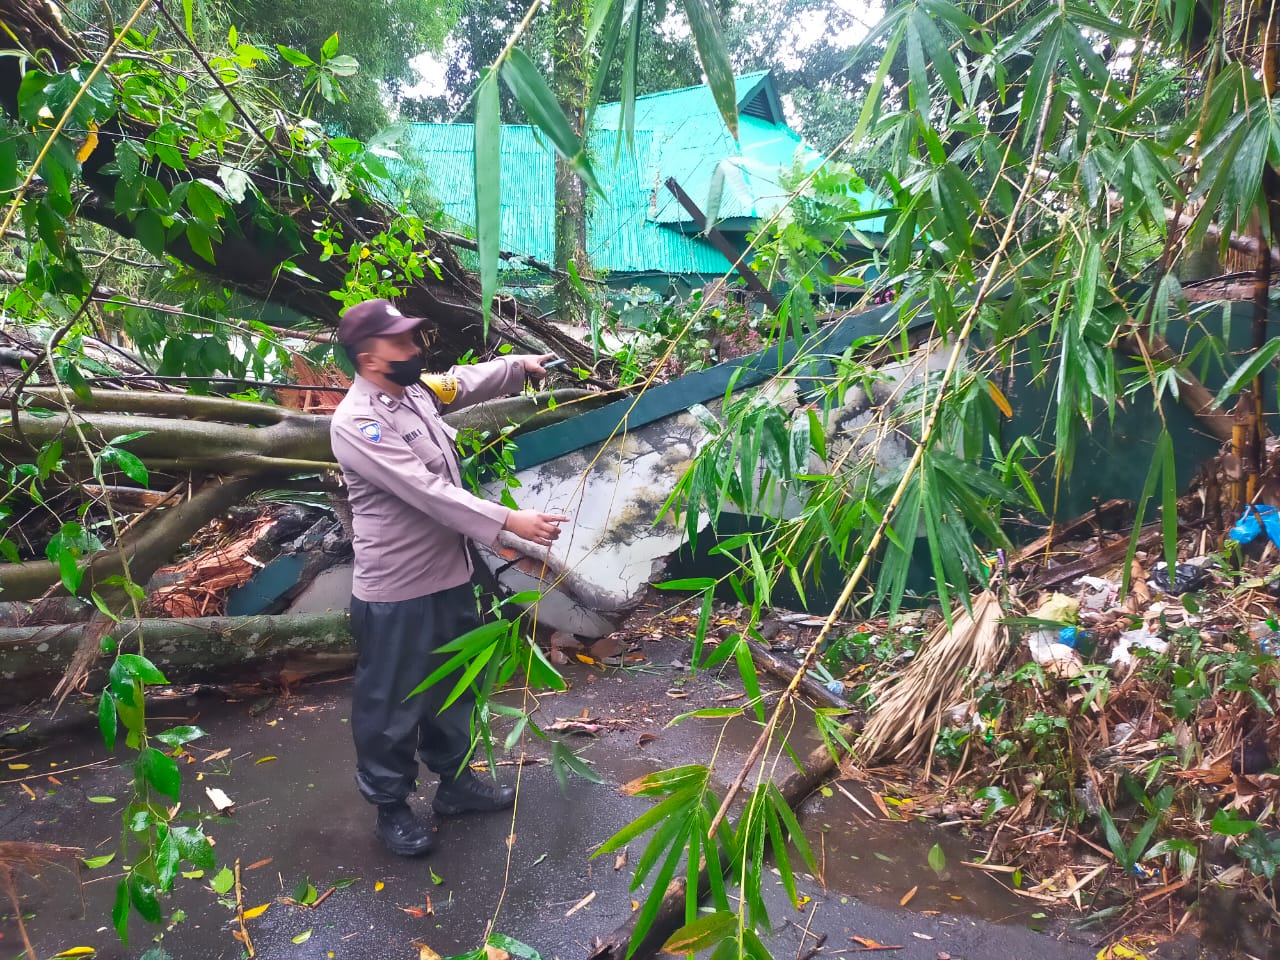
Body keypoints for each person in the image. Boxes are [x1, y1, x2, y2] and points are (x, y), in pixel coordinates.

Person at [329, 298, 569, 857]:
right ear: (369, 358)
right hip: (396, 593)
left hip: (448, 578)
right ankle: (391, 807)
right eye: (403, 343)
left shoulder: (410, 389)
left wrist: (517, 368)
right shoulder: (360, 421)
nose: (416, 350)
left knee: (453, 691)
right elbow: (427, 493)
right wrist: (510, 522)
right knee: (391, 708)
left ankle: (455, 784)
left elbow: (457, 384)